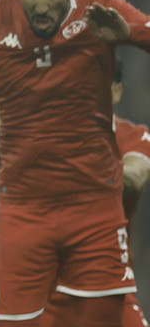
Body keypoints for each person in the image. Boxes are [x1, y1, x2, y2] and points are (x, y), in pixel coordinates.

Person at [0, 0, 150, 326]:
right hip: (24, 211)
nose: (41, 5)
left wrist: (128, 33)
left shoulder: (98, 10)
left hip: (95, 207)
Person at [39, 56, 150, 327]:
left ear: (116, 91)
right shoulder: (46, 136)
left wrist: (74, 159)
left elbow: (135, 179)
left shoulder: (134, 136)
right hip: (52, 290)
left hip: (112, 284)